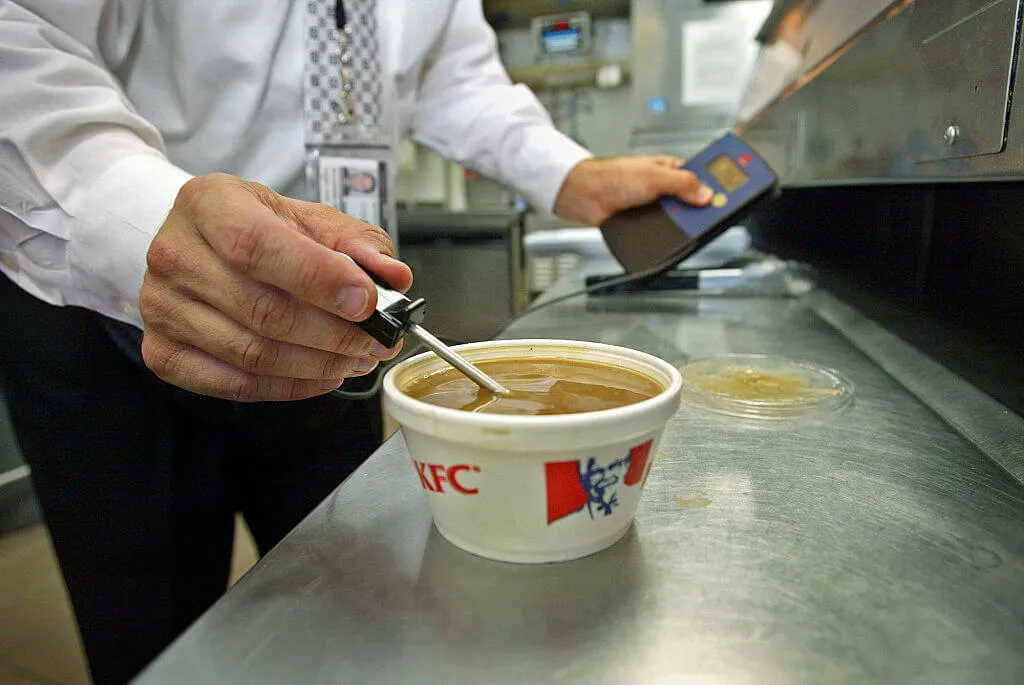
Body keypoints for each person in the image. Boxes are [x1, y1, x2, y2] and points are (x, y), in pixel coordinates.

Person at [0, 1, 711, 682]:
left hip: (343, 327)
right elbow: (19, 31)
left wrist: (569, 174)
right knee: (152, 635)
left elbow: (451, 74)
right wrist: (135, 214)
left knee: (351, 608)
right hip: (113, 300)